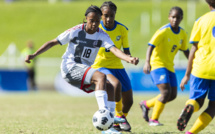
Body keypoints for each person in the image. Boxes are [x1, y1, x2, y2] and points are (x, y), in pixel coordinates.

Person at [25, 5, 139, 134]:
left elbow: (115, 50)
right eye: (92, 20)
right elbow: (53, 42)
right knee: (101, 77)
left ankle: (109, 126)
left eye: (97, 21)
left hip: (83, 70)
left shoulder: (102, 35)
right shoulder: (75, 31)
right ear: (86, 18)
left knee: (110, 87)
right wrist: (34, 55)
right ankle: (104, 113)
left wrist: (128, 59)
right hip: (70, 67)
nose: (95, 24)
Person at [139, 6, 189, 126]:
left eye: (178, 17)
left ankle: (146, 104)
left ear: (181, 18)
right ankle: (153, 119)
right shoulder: (163, 31)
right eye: (173, 17)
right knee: (165, 92)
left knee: (172, 95)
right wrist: (147, 62)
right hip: (157, 64)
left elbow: (185, 50)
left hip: (169, 66)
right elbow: (150, 46)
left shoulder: (182, 33)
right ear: (169, 17)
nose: (175, 20)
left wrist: (195, 63)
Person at [91, 1, 133, 132]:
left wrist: (131, 58)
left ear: (115, 15)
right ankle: (118, 115)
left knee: (129, 101)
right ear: (101, 15)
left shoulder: (122, 29)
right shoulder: (96, 29)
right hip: (101, 65)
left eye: (111, 16)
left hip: (118, 66)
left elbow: (126, 51)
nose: (108, 19)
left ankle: (116, 122)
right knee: (115, 85)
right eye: (105, 15)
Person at [177, 1, 215, 134]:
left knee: (197, 100)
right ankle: (191, 132)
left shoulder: (201, 20)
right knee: (213, 106)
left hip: (200, 67)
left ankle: (190, 106)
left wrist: (187, 74)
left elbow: (193, 49)